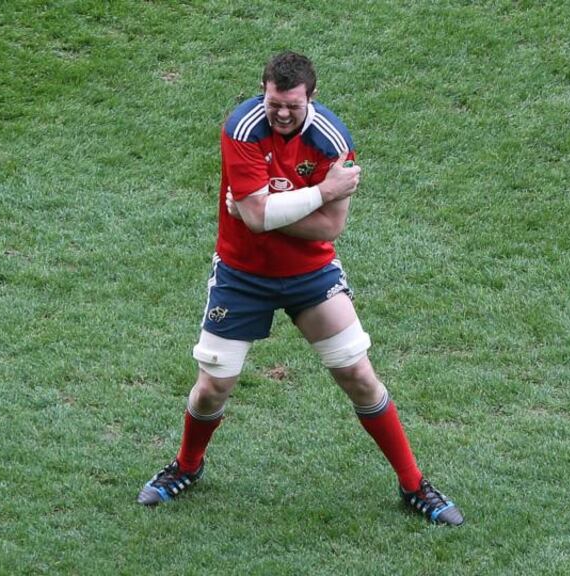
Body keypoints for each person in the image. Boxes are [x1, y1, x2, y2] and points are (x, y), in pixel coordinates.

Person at [138, 51, 463, 526]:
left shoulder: (333, 141)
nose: (281, 112)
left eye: (291, 104)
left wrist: (267, 212)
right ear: (263, 92)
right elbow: (258, 216)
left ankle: (414, 485)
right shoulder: (242, 128)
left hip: (310, 274)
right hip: (241, 274)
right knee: (212, 387)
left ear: (310, 97)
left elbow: (326, 229)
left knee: (358, 376)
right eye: (274, 102)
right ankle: (187, 466)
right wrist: (318, 193)